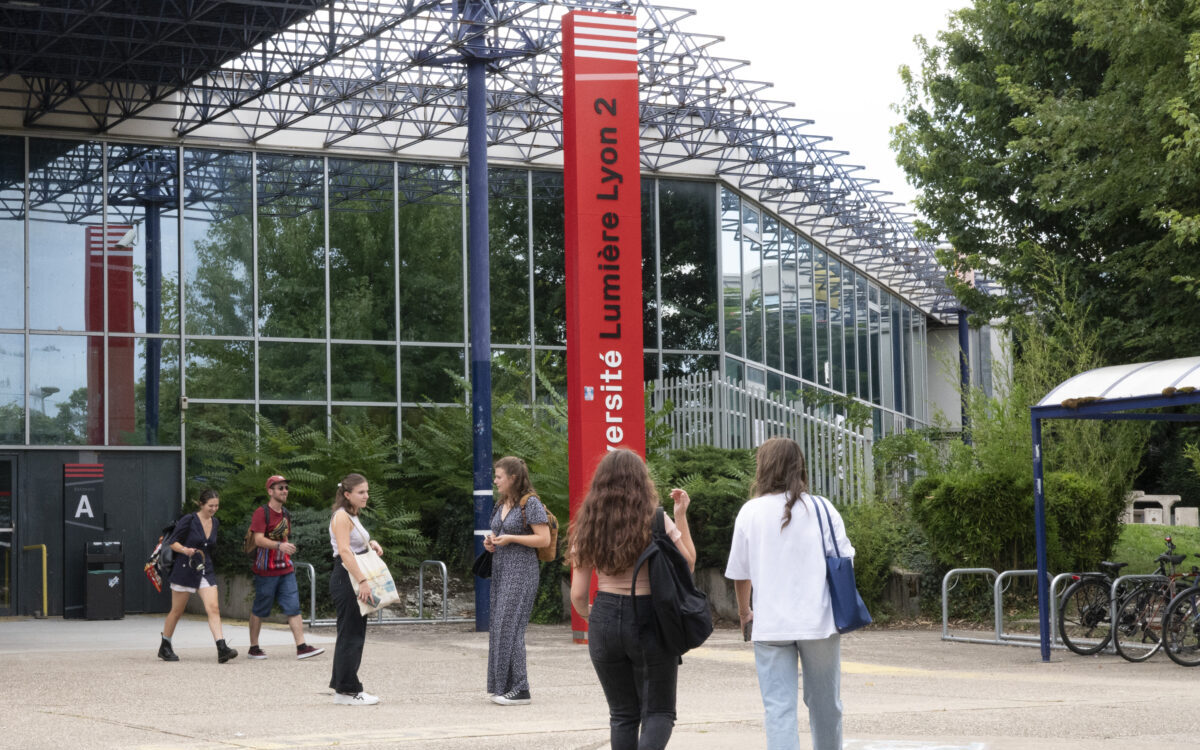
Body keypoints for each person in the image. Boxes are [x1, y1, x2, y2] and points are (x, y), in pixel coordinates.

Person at [725, 437, 852, 750]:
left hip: (770, 626)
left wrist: (745, 614)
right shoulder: (823, 508)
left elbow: (741, 575)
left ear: (763, 467)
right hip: (819, 623)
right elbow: (846, 559)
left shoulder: (750, 512)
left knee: (779, 710)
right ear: (800, 466)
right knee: (826, 705)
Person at [568, 449, 696, 750]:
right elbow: (688, 563)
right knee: (658, 711)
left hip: (604, 616)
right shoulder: (655, 520)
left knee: (622, 714)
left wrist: (589, 613)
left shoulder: (588, 523)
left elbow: (578, 593)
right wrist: (680, 517)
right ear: (642, 482)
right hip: (650, 618)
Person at [482, 456, 551, 706]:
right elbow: (500, 533)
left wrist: (511, 538)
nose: (495, 480)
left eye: (499, 476)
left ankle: (521, 688)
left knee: (512, 627)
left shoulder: (530, 502)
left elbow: (543, 539)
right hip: (501, 570)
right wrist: (492, 542)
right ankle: (505, 685)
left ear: (513, 478)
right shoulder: (502, 503)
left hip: (521, 571)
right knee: (500, 626)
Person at [247, 475, 324, 660]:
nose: (284, 491)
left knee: (293, 607)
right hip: (266, 570)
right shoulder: (261, 513)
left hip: (285, 568)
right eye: (280, 488)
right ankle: (253, 647)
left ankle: (302, 646)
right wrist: (279, 546)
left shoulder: (286, 513)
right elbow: (258, 539)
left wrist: (287, 548)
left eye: (286, 488)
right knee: (260, 608)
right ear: (270, 491)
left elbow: (284, 536)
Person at [157, 488, 238, 663]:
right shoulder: (189, 520)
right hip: (185, 567)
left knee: (213, 608)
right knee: (177, 611)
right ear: (201, 504)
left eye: (217, 505)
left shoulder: (215, 522)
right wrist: (185, 549)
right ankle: (165, 645)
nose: (214, 509)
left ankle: (221, 647)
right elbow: (172, 543)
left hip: (204, 568)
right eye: (210, 505)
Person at [328, 473, 384, 706]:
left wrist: (370, 544)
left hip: (351, 576)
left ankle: (344, 688)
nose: (366, 496)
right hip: (348, 578)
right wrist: (362, 581)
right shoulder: (342, 517)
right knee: (350, 635)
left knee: (352, 634)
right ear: (347, 494)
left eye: (367, 491)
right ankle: (348, 691)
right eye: (361, 492)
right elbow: (344, 551)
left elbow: (353, 544)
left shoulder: (351, 515)